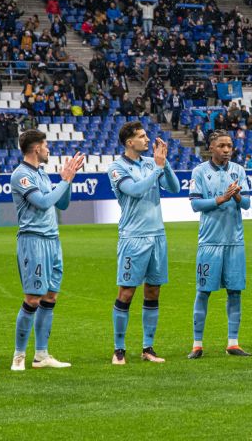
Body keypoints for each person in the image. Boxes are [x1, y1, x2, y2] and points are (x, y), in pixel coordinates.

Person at [9, 130, 85, 371]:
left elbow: (61, 203)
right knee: (32, 298)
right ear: (35, 149)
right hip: (33, 241)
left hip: (52, 240)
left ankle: (41, 355)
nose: (48, 149)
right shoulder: (21, 175)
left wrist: (68, 180)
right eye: (46, 145)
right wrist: (64, 180)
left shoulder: (41, 173)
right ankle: (19, 356)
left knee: (50, 296)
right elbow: (42, 203)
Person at [107, 122, 180, 365]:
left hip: (157, 235)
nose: (147, 140)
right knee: (126, 292)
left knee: (153, 290)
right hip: (133, 237)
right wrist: (157, 169)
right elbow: (135, 190)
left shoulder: (152, 163)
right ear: (130, 142)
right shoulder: (117, 167)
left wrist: (164, 163)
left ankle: (148, 347)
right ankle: (119, 349)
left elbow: (174, 187)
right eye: (142, 136)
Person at [187, 130, 252, 359]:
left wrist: (236, 197)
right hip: (210, 242)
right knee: (203, 291)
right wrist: (221, 199)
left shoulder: (239, 171)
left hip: (235, 242)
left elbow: (247, 204)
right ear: (211, 148)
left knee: (235, 292)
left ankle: (233, 343)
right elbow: (195, 205)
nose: (227, 149)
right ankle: (197, 344)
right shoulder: (200, 172)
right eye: (222, 145)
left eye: (230, 145)